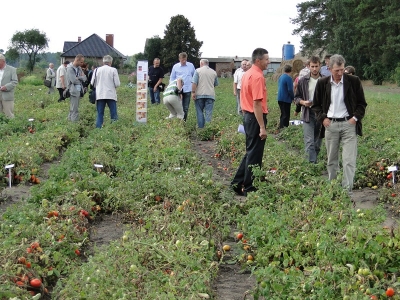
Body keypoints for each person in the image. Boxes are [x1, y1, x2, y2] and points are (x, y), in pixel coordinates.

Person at [312, 54, 367, 192]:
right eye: (337, 70)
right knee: (332, 160)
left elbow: (362, 103)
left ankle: (346, 190)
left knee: (349, 160)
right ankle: (333, 188)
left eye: (342, 70)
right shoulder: (322, 83)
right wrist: (323, 118)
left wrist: (355, 118)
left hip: (349, 124)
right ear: (329, 69)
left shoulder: (353, 81)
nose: (340, 73)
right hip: (331, 125)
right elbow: (316, 105)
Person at [231, 48, 269, 196]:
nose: (269, 62)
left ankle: (237, 183)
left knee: (250, 152)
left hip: (248, 116)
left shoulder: (247, 75)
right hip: (255, 118)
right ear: (258, 60)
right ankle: (249, 188)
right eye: (266, 59)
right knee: (254, 155)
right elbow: (257, 104)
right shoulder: (258, 77)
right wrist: (262, 127)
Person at [294, 56, 323, 163]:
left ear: (320, 66)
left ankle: (314, 160)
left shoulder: (325, 80)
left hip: (321, 114)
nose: (314, 69)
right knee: (309, 141)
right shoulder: (303, 81)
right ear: (308, 66)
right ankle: (311, 165)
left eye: (316, 66)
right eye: (312, 66)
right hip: (308, 113)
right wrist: (303, 102)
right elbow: (296, 97)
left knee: (318, 141)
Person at [91, 55, 120, 128]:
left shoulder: (97, 70)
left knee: (100, 113)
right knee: (113, 113)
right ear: (111, 62)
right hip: (111, 94)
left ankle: (98, 129)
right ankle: (114, 128)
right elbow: (117, 83)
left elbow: (92, 83)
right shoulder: (113, 70)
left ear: (103, 62)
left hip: (100, 94)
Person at [191, 59, 219, 128]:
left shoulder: (198, 71)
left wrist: (193, 92)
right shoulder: (214, 72)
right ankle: (207, 129)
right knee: (208, 113)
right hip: (210, 95)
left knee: (199, 112)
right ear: (207, 64)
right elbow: (216, 84)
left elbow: (194, 83)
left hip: (199, 95)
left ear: (201, 63)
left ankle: (201, 129)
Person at [170, 52, 195, 121]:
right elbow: (172, 78)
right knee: (177, 106)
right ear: (179, 59)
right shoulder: (175, 67)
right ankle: (177, 121)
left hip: (188, 89)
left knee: (185, 107)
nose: (184, 61)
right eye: (182, 60)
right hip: (178, 89)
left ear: (186, 58)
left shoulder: (191, 65)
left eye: (185, 60)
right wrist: (172, 87)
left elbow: (194, 76)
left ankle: (184, 121)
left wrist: (194, 88)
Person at [66, 54, 86, 122]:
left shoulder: (79, 68)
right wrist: (80, 78)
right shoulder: (70, 68)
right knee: (75, 110)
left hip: (78, 90)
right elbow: (73, 80)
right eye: (81, 62)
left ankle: (69, 122)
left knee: (73, 108)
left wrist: (78, 78)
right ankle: (74, 125)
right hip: (73, 91)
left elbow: (85, 78)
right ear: (77, 60)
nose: (82, 64)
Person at [0, 54, 18, 118]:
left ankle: (11, 127)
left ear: (3, 61)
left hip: (7, 95)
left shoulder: (12, 69)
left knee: (9, 114)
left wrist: (6, 87)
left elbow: (14, 81)